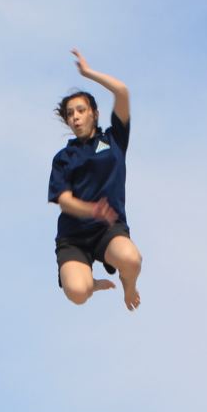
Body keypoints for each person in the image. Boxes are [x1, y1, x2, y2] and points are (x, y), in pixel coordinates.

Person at [48, 49, 142, 311]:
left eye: (80, 110)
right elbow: (64, 202)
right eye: (70, 114)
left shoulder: (114, 140)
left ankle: (128, 284)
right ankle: (92, 283)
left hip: (108, 231)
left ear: (94, 113)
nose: (75, 116)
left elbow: (121, 91)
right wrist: (92, 209)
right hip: (74, 237)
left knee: (131, 259)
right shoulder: (64, 157)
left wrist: (88, 74)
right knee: (77, 293)